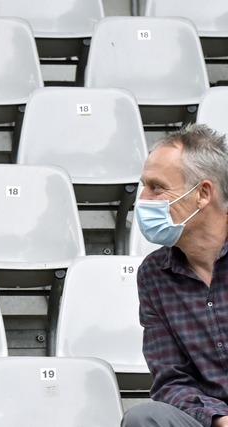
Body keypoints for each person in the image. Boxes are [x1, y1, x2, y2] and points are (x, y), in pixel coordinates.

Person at [121, 123, 228, 427]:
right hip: (211, 422)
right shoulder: (154, 274)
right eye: (143, 186)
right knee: (144, 418)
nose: (143, 199)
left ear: (203, 193)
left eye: (156, 187)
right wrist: (219, 418)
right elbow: (170, 380)